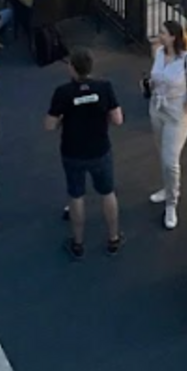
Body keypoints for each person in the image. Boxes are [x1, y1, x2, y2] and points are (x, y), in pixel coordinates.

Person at [45, 46, 124, 259]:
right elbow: (117, 119)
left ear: (72, 67)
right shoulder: (104, 87)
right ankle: (113, 239)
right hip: (100, 150)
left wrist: (63, 119)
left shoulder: (63, 92)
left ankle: (78, 244)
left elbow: (49, 125)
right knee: (107, 192)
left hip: (73, 152)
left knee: (76, 196)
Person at [146, 19, 187, 231]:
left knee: (170, 160)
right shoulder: (159, 53)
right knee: (162, 153)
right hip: (157, 108)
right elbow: (155, 77)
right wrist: (150, 85)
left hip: (176, 113)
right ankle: (167, 188)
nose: (159, 35)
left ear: (173, 37)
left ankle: (172, 202)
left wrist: (186, 108)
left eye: (163, 33)